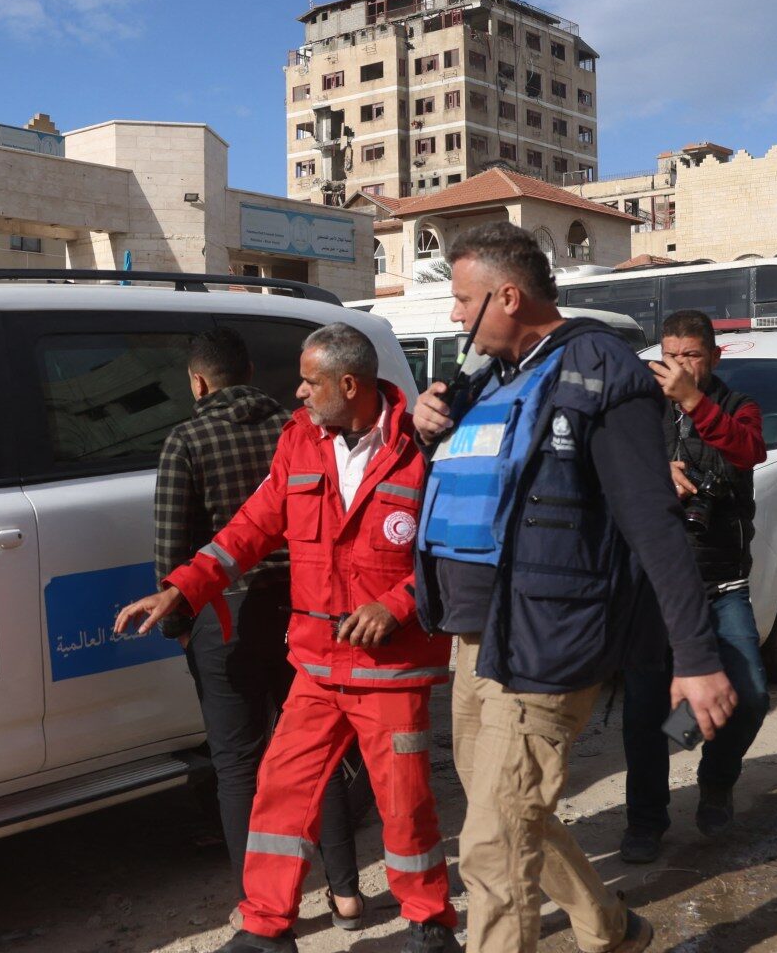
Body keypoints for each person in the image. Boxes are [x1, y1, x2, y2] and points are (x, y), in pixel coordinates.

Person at [411, 222, 737, 953]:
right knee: (512, 812)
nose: (455, 315)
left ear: (509, 295)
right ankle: (610, 928)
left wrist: (696, 653)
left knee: (494, 842)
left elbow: (654, 522)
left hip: (546, 640)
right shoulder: (491, 378)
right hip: (478, 636)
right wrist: (425, 424)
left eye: (464, 300)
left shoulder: (599, 374)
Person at [118, 323, 460, 953]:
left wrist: (396, 605)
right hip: (318, 663)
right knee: (280, 794)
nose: (297, 392)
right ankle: (267, 930)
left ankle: (430, 923)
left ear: (348, 383)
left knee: (404, 802)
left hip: (390, 668)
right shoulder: (299, 441)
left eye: (310, 380)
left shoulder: (424, 447)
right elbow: (252, 525)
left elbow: (449, 553)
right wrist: (184, 586)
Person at [152, 328, 368, 924]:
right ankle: (346, 889)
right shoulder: (298, 429)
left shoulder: (186, 440)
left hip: (228, 617)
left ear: (198, 382)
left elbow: (173, 554)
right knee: (314, 754)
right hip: (303, 609)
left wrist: (183, 634)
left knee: (239, 764)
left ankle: (265, 904)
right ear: (249, 370)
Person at [618, 310, 771, 865]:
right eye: (672, 355)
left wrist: (693, 402)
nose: (680, 367)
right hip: (654, 586)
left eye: (692, 357)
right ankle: (645, 822)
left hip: (720, 582)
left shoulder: (737, 407)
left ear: (714, 357)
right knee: (642, 713)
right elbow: (616, 470)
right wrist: (662, 473)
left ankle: (715, 777)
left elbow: (748, 451)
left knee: (749, 694)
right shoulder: (642, 411)